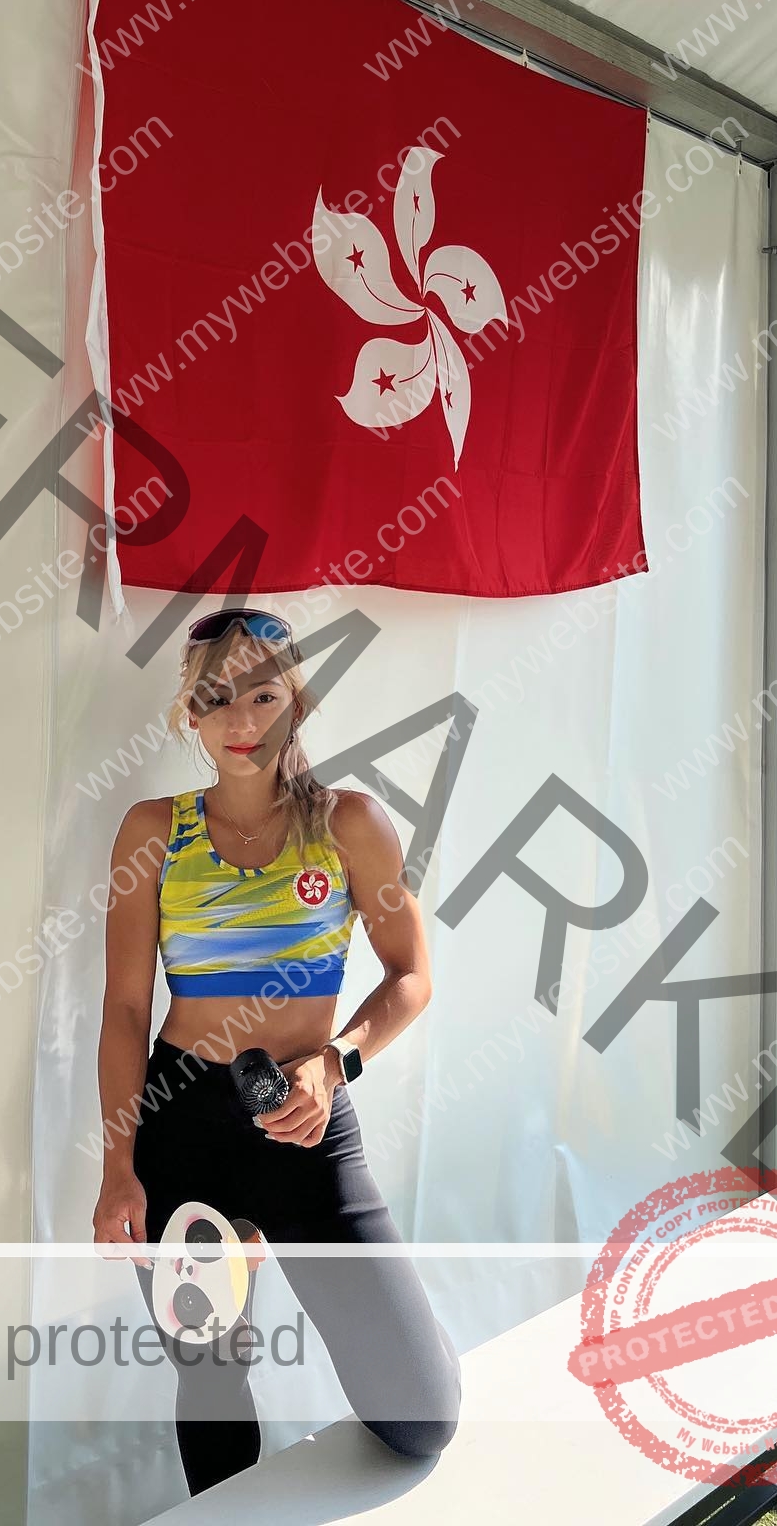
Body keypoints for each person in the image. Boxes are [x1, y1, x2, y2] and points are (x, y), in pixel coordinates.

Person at [92, 607, 461, 1496]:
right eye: (217, 699)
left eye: (263, 694)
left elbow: (411, 976)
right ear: (191, 713)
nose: (242, 720)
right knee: (213, 1372)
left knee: (422, 1417)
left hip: (305, 1119)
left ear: (298, 701)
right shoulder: (153, 831)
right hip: (182, 1123)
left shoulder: (351, 824)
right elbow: (125, 1008)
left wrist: (336, 1061)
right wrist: (118, 1169)